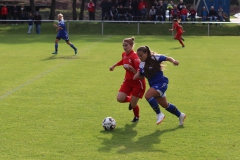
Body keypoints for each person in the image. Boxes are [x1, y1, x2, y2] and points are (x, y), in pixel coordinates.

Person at [133, 46, 186, 125]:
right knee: (165, 105)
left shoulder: (154, 58)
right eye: (138, 56)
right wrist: (137, 75)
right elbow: (142, 76)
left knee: (148, 96)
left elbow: (168, 58)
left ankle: (159, 114)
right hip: (154, 86)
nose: (139, 57)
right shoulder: (141, 64)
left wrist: (174, 61)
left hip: (161, 83)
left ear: (146, 53)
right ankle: (180, 115)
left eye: (141, 55)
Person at [109, 37, 146, 122]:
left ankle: (136, 117)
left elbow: (140, 73)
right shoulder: (124, 54)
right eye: (123, 46)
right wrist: (114, 65)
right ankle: (132, 101)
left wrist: (132, 69)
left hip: (138, 82)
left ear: (132, 45)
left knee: (133, 105)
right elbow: (123, 61)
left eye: (126, 45)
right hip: (128, 81)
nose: (124, 47)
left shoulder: (135, 57)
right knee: (120, 99)